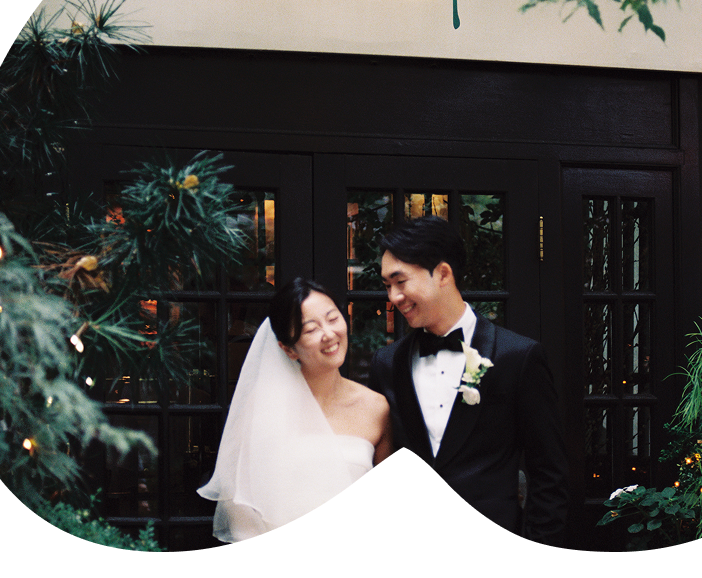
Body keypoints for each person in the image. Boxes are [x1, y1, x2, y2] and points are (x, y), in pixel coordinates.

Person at [368, 216, 569, 547]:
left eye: (400, 281)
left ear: (443, 274)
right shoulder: (386, 364)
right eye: (386, 285)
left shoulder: (518, 358)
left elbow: (550, 475)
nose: (392, 296)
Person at [198, 278, 393, 546]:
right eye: (311, 329)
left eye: (333, 318)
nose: (329, 334)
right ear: (288, 349)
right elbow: (237, 508)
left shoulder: (376, 407)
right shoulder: (261, 411)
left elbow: (388, 502)